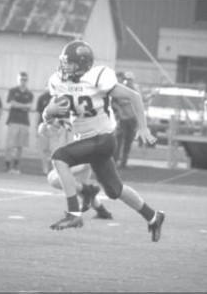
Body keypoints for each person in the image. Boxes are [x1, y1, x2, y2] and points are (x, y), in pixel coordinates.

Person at [43, 40, 165, 242]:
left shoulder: (97, 76)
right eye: (64, 63)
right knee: (115, 190)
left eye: (70, 64)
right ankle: (153, 216)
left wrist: (143, 127)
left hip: (103, 139)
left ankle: (74, 213)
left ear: (83, 65)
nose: (65, 68)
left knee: (59, 158)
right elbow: (50, 115)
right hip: (86, 142)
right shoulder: (58, 81)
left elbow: (134, 96)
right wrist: (48, 114)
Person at [4, 72, 34, 173]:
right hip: (13, 121)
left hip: (24, 122)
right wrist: (24, 106)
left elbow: (29, 106)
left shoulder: (29, 94)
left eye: (25, 79)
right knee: (10, 145)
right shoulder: (13, 91)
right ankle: (8, 166)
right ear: (18, 80)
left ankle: (16, 167)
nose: (23, 81)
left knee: (20, 146)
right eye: (21, 79)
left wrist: (20, 105)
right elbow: (12, 103)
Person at [112, 72, 139, 169]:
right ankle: (115, 161)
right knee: (119, 141)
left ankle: (124, 162)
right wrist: (120, 110)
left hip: (132, 119)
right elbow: (114, 103)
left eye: (130, 80)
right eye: (126, 79)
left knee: (129, 141)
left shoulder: (135, 90)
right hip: (123, 119)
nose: (128, 81)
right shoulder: (120, 90)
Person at [36, 88, 56, 174]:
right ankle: (45, 170)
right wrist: (36, 127)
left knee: (54, 149)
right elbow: (38, 114)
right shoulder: (42, 97)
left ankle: (54, 170)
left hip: (55, 126)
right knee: (44, 149)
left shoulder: (58, 97)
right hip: (43, 126)